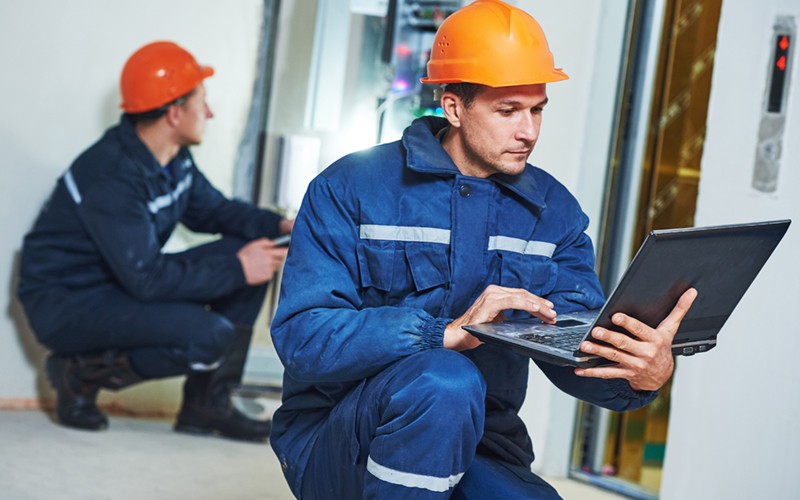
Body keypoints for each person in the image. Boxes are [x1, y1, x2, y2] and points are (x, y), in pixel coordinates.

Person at [269, 0, 696, 498]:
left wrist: (643, 374)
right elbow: (304, 338)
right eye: (508, 111)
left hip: (482, 444)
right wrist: (441, 334)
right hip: (342, 436)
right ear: (454, 106)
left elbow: (576, 355)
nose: (529, 131)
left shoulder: (553, 212)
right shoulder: (352, 187)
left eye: (537, 110)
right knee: (445, 379)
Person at [17, 41, 292, 442]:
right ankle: (77, 374)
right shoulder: (112, 175)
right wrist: (236, 268)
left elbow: (214, 211)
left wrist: (281, 225)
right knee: (210, 331)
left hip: (119, 282)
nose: (210, 113)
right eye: (203, 102)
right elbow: (146, 278)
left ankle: (206, 406)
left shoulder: (172, 158)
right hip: (67, 302)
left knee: (256, 247)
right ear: (174, 112)